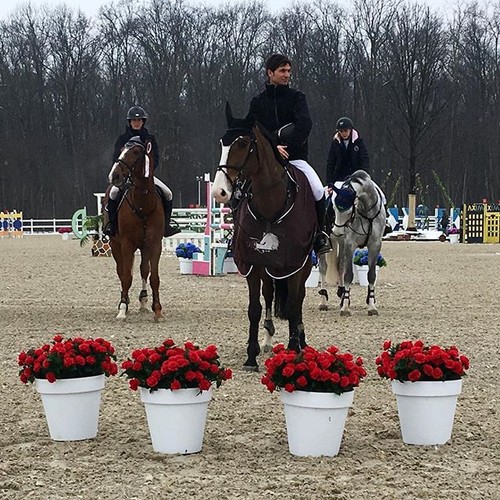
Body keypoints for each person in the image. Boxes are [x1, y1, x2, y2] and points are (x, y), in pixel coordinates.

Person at [244, 53, 331, 255]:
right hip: (265, 158)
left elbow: (304, 125)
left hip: (295, 157)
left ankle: (320, 234)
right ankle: (238, 234)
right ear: (270, 73)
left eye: (289, 71)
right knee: (240, 189)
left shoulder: (297, 98)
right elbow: (255, 128)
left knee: (318, 190)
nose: (287, 75)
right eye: (282, 71)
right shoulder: (257, 102)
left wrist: (288, 147)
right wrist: (274, 146)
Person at [104, 105, 180, 237]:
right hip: (126, 177)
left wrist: (148, 173)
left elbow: (155, 158)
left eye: (139, 120)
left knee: (168, 194)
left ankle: (166, 226)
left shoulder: (149, 139)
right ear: (130, 122)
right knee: (113, 193)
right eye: (134, 120)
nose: (136, 123)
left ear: (143, 122)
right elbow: (116, 158)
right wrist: (122, 175)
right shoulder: (123, 139)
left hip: (146, 177)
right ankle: (112, 226)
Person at [326, 116, 392, 235]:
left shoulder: (359, 142)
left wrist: (364, 177)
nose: (344, 133)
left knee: (380, 193)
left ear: (350, 130)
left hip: (357, 178)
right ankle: (327, 222)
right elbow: (330, 163)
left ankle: (385, 219)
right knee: (330, 198)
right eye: (341, 131)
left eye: (345, 130)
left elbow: (365, 160)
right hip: (340, 179)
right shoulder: (335, 144)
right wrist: (330, 182)